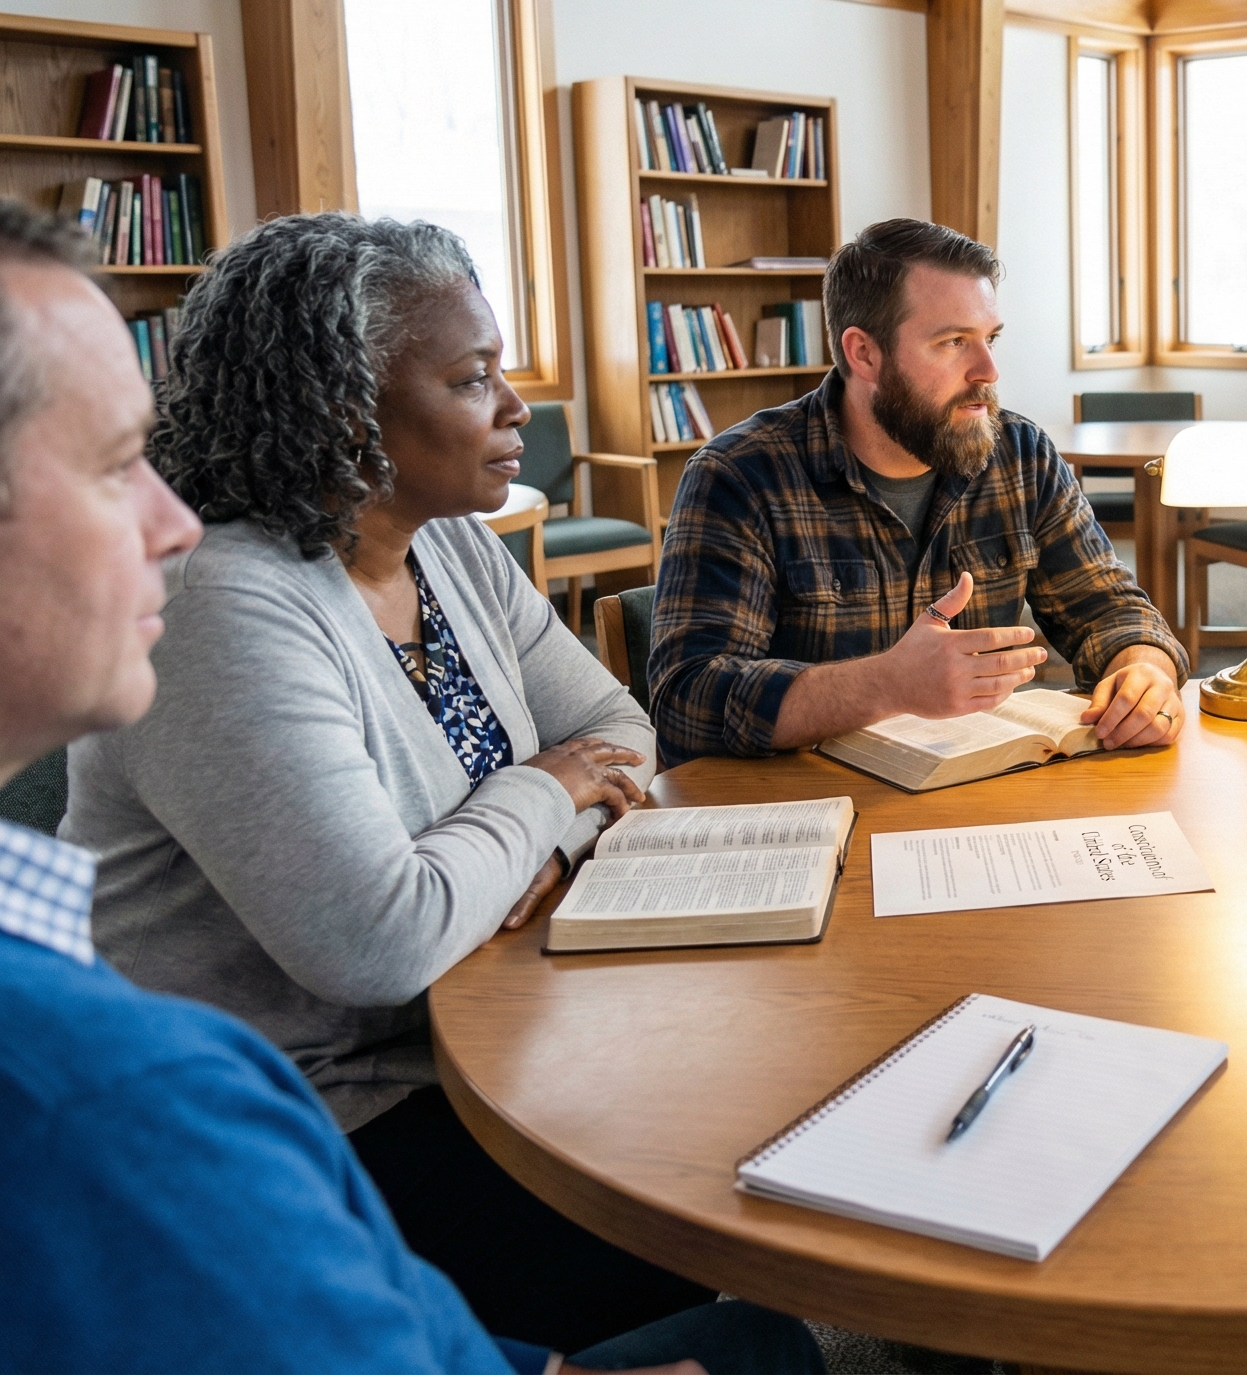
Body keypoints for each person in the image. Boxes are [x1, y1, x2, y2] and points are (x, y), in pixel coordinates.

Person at [0, 199, 817, 1375]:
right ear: (346, 411)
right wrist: (544, 794)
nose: (515, 408)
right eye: (474, 375)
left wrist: (507, 857)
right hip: (358, 1100)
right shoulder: (230, 600)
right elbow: (384, 939)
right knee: (744, 1247)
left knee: (756, 1118)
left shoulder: (450, 543)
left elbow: (617, 731)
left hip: (496, 1024)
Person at [650, 218, 1187, 768]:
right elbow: (687, 703)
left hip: (977, 801)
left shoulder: (1020, 454)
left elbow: (1110, 609)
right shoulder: (740, 475)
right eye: (953, 342)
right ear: (863, 354)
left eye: (990, 339)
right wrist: (884, 685)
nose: (988, 370)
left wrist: (1144, 668)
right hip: (813, 817)